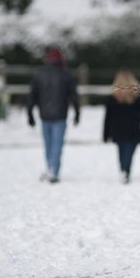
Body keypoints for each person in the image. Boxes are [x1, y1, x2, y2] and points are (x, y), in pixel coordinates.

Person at [27, 46, 80, 183]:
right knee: (57, 145)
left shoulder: (39, 73)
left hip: (44, 115)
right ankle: (53, 171)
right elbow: (73, 95)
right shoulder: (66, 73)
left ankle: (50, 168)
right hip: (60, 115)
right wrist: (77, 112)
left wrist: (30, 114)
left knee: (48, 144)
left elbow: (32, 96)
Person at [103, 70, 140, 184]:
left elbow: (107, 118)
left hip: (117, 130)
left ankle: (123, 170)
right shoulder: (139, 99)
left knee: (121, 151)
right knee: (129, 152)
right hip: (133, 131)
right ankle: (125, 171)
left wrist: (105, 133)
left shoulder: (112, 98)